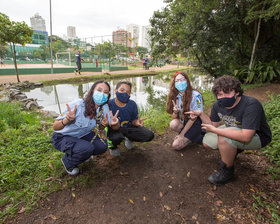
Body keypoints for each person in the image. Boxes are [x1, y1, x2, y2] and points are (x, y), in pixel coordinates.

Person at [187, 75, 272, 185]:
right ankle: (233, 150)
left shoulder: (251, 104)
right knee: (207, 141)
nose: (222, 97)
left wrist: (217, 131)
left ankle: (227, 171)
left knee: (223, 136)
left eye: (227, 92)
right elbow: (212, 125)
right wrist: (200, 114)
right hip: (236, 129)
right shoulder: (218, 105)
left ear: (237, 92)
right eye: (219, 94)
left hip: (258, 136)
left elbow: (246, 136)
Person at [51, 80, 119, 175]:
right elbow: (55, 127)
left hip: (83, 135)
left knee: (102, 147)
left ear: (108, 96)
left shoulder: (104, 108)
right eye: (99, 90)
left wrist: (103, 125)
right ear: (92, 91)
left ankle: (83, 153)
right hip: (62, 137)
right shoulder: (78, 105)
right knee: (87, 148)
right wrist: (66, 120)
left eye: (106, 92)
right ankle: (68, 161)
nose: (102, 94)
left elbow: (100, 129)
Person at [107, 80, 154, 157]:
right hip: (114, 129)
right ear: (115, 90)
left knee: (149, 135)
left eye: (128, 92)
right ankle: (113, 146)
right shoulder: (108, 104)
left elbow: (133, 121)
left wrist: (137, 122)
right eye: (122, 90)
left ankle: (129, 138)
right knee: (116, 137)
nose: (125, 93)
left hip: (128, 127)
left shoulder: (132, 104)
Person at [166, 71, 205, 150]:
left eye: (182, 80)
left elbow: (193, 118)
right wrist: (175, 112)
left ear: (187, 81)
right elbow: (174, 117)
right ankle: (189, 137)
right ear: (174, 83)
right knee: (173, 124)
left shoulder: (195, 95)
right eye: (177, 81)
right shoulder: (176, 95)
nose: (180, 82)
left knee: (176, 146)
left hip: (195, 122)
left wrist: (181, 135)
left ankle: (197, 135)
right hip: (184, 121)